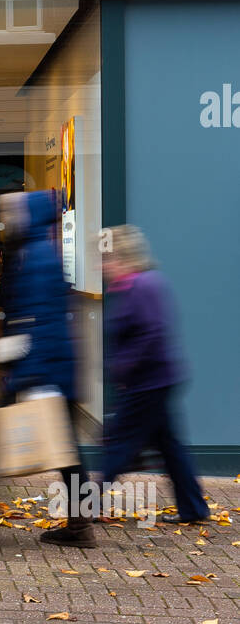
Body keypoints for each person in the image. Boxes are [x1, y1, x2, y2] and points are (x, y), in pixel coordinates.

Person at [0, 190, 97, 547]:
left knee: (62, 452)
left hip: (48, 371)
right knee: (67, 453)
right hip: (54, 368)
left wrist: (23, 374)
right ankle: (81, 522)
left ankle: (81, 525)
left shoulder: (35, 258)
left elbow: (36, 323)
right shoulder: (35, 253)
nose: (5, 219)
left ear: (28, 217)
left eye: (11, 213)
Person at [100, 225, 208, 525]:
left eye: (106, 259)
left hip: (147, 382)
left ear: (123, 257)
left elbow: (152, 332)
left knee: (119, 445)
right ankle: (194, 508)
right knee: (170, 446)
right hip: (155, 379)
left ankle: (84, 508)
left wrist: (124, 366)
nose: (102, 265)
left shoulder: (142, 286)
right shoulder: (137, 285)